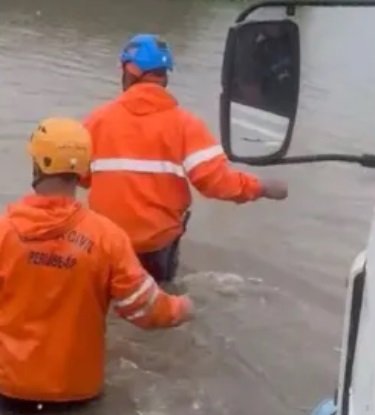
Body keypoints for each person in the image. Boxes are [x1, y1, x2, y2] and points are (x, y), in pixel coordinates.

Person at [0, 117, 194, 415]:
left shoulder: (0, 232)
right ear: (84, 170)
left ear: (36, 164)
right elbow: (145, 310)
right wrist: (183, 307)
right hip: (77, 391)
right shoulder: (108, 238)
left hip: (6, 387)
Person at [81, 33, 289, 283]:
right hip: (156, 246)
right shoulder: (186, 125)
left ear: (130, 70)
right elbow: (217, 183)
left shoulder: (97, 121)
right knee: (157, 306)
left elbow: (79, 177)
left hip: (106, 243)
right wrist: (262, 187)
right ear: (164, 76)